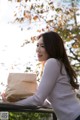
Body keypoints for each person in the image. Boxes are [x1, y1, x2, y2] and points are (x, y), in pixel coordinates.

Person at [2, 31, 80, 120]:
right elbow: (46, 102)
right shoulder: (58, 64)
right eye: (37, 45)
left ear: (52, 47)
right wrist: (17, 99)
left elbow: (37, 100)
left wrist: (11, 105)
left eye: (42, 46)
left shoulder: (52, 63)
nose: (37, 50)